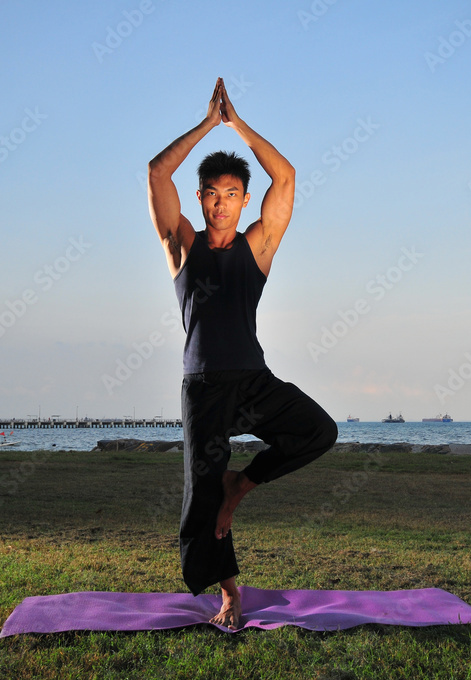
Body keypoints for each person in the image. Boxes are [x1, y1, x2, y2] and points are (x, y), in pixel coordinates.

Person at [147, 78, 337, 629]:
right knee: (200, 501)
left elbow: (288, 176)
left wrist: (237, 124)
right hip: (203, 386)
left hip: (253, 380)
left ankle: (242, 484)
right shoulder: (182, 243)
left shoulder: (259, 244)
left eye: (232, 194)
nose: (221, 203)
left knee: (319, 431)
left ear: (244, 201)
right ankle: (230, 594)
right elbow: (159, 172)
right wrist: (208, 124)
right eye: (212, 192)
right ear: (201, 196)